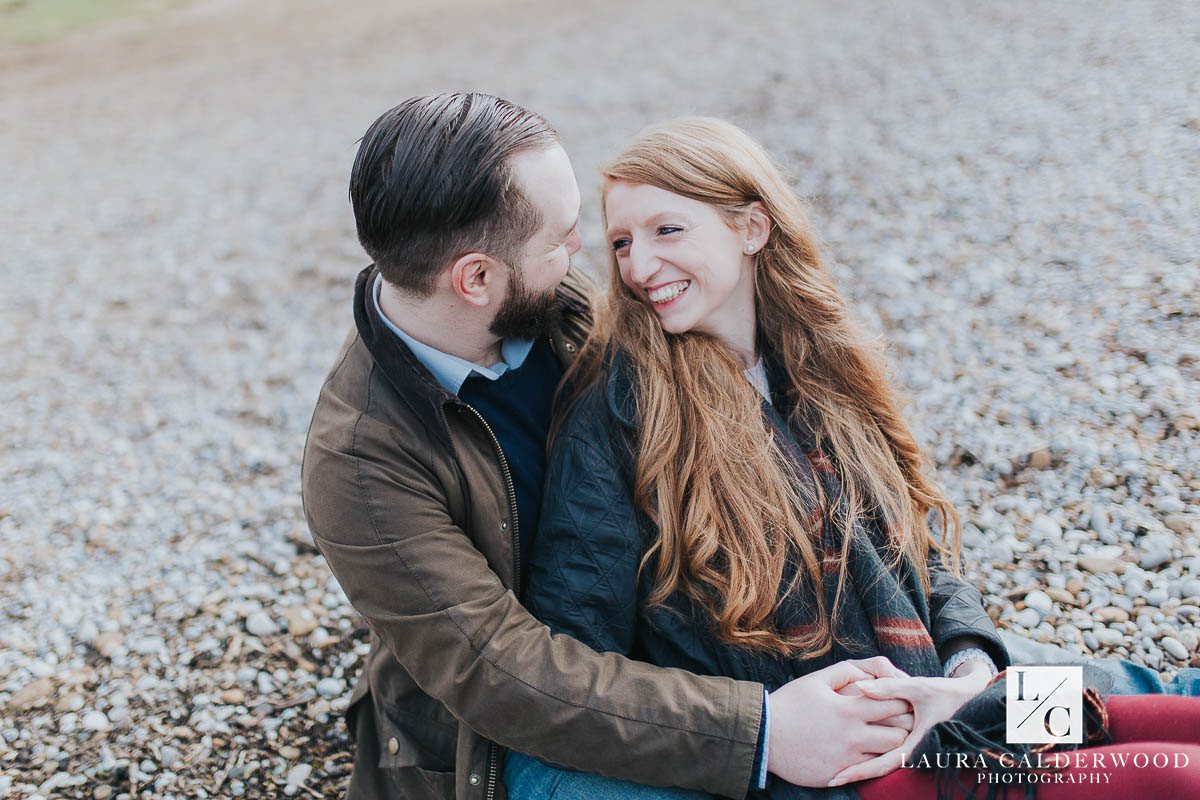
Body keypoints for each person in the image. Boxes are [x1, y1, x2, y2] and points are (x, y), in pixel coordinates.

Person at [518, 117, 1200, 799]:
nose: (637, 267)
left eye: (667, 230)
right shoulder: (618, 413)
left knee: (1151, 708)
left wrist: (964, 667)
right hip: (835, 757)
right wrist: (753, 732)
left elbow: (920, 548)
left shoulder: (824, 365)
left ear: (752, 228)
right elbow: (577, 648)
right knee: (1160, 779)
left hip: (934, 689)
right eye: (621, 243)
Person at [301, 94, 930, 800]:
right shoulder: (359, 461)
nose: (604, 262)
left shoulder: (557, 306)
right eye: (565, 237)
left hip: (686, 652)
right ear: (475, 279)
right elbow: (499, 671)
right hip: (523, 736)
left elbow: (894, 527)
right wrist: (763, 732)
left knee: (1059, 717)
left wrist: (968, 658)